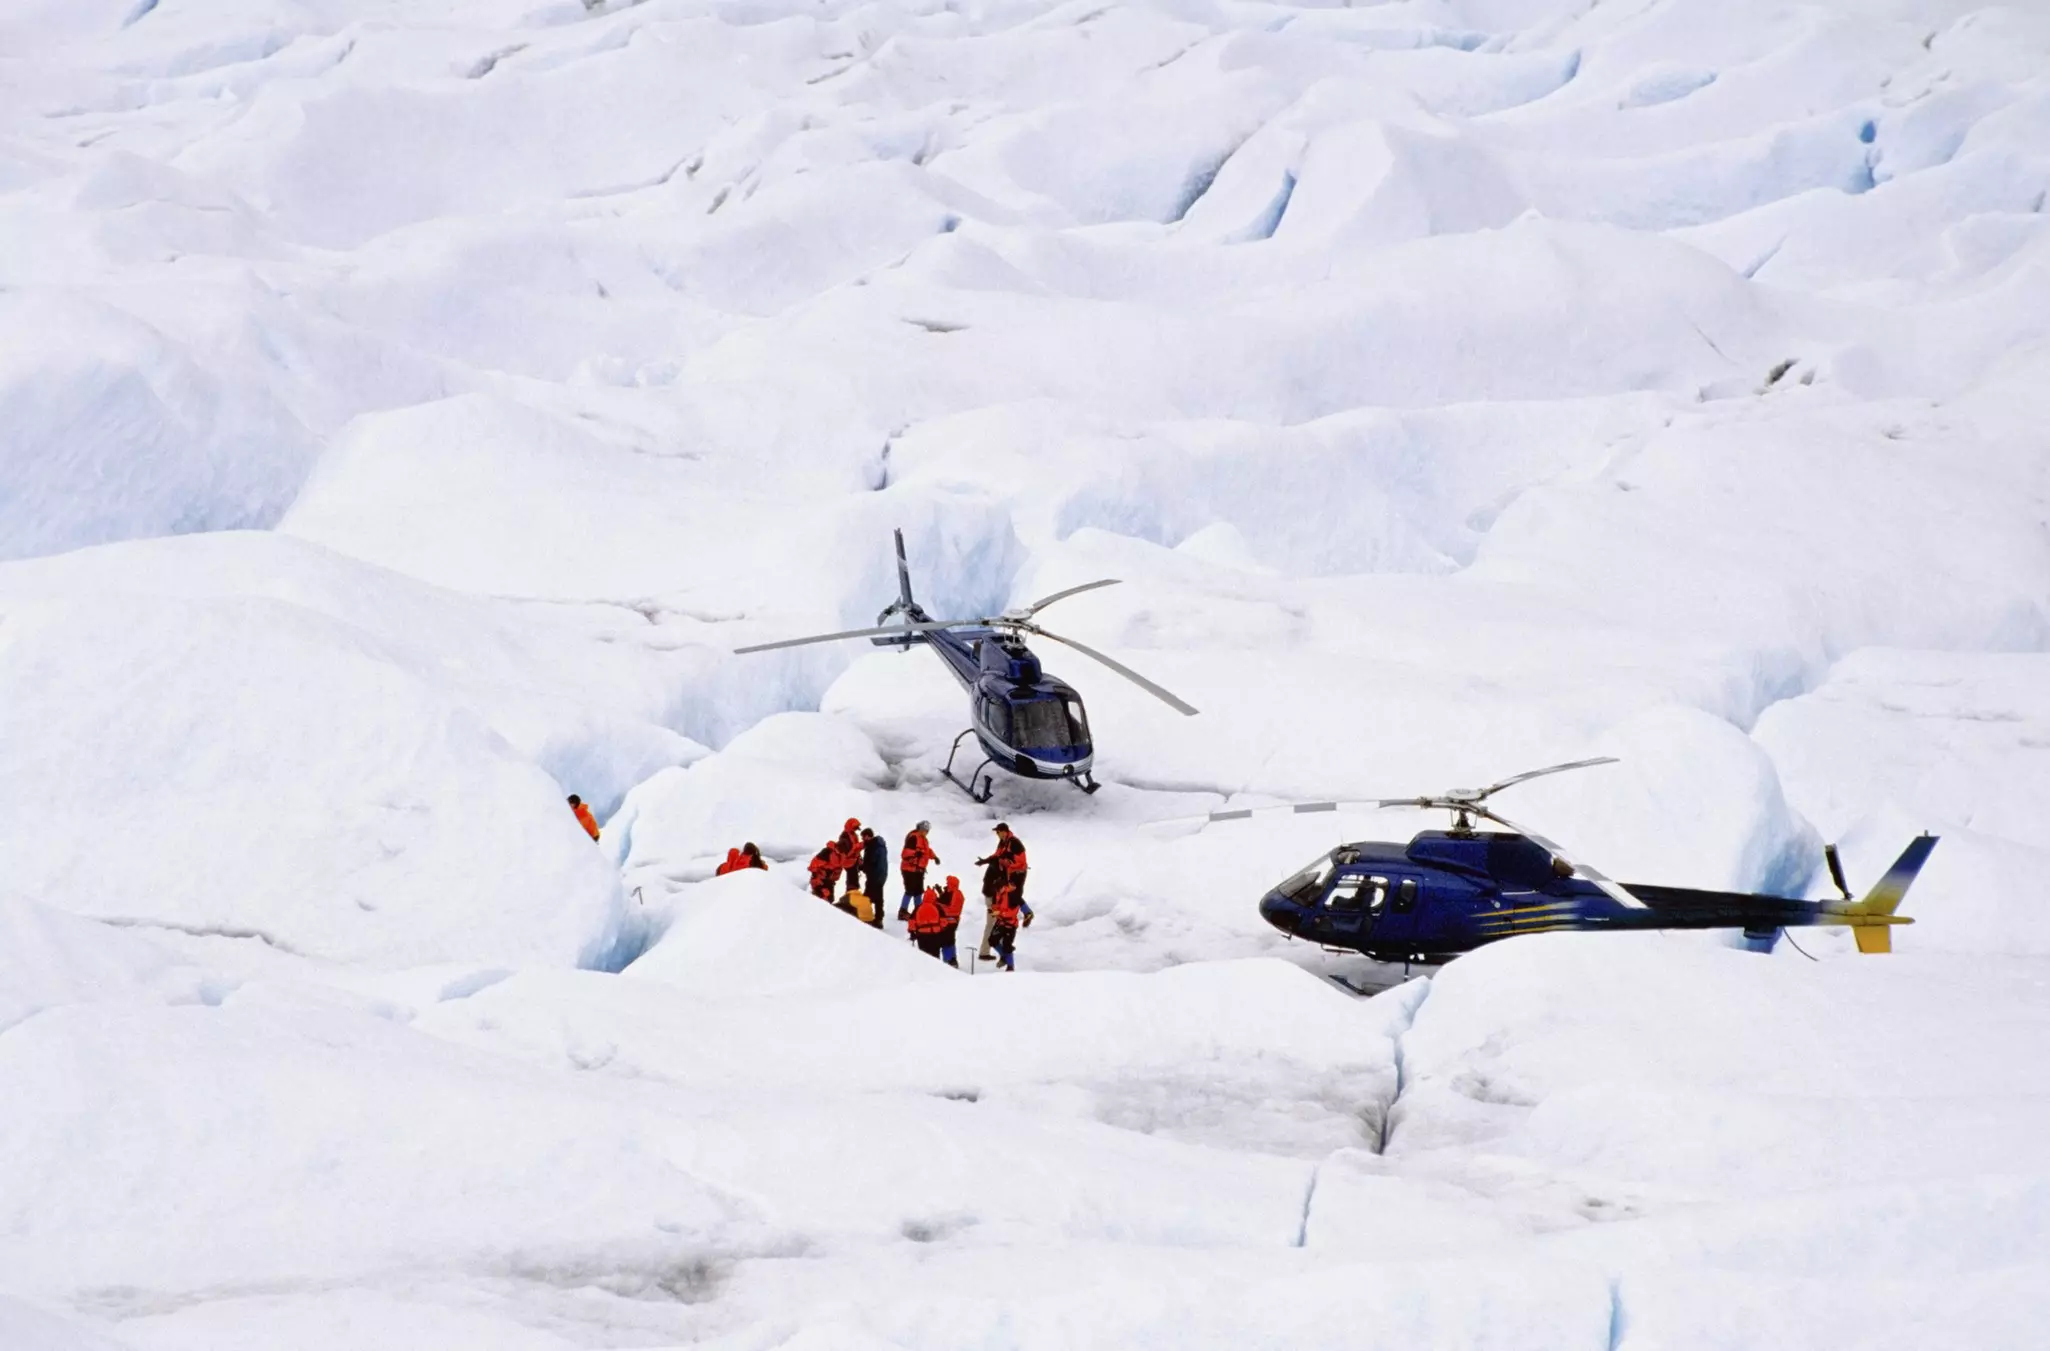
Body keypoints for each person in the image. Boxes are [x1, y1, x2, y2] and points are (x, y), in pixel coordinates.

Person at [975, 823, 1027, 961]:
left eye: (998, 832)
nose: (997, 834)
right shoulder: (998, 870)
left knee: (998, 924)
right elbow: (1000, 858)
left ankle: (1000, 949)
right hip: (993, 898)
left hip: (993, 896)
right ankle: (997, 952)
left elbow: (1012, 859)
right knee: (995, 925)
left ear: (1004, 832)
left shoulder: (1011, 845)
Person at [987, 878, 1033, 972]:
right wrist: (993, 910)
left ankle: (1010, 966)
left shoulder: (1013, 895)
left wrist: (1028, 914)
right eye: (996, 889)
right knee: (992, 940)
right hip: (1000, 922)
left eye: (998, 889)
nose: (997, 891)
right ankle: (1004, 956)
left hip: (1010, 924)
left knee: (1007, 945)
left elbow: (1021, 904)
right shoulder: (998, 893)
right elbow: (997, 905)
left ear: (1003, 887)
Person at [898, 820, 938, 921]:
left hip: (919, 870)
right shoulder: (913, 837)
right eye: (925, 830)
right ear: (920, 829)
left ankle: (918, 911)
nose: (926, 832)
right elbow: (905, 853)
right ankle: (902, 911)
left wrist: (934, 857)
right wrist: (915, 854)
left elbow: (927, 851)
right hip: (909, 869)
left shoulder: (924, 839)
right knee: (910, 890)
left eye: (927, 831)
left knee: (918, 891)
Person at [860, 828, 889, 928]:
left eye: (863, 837)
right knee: (878, 898)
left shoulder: (872, 846)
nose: (863, 840)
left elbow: (870, 862)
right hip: (881, 874)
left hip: (874, 875)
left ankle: (867, 917)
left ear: (867, 836)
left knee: (868, 897)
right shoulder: (879, 845)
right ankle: (878, 918)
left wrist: (861, 866)